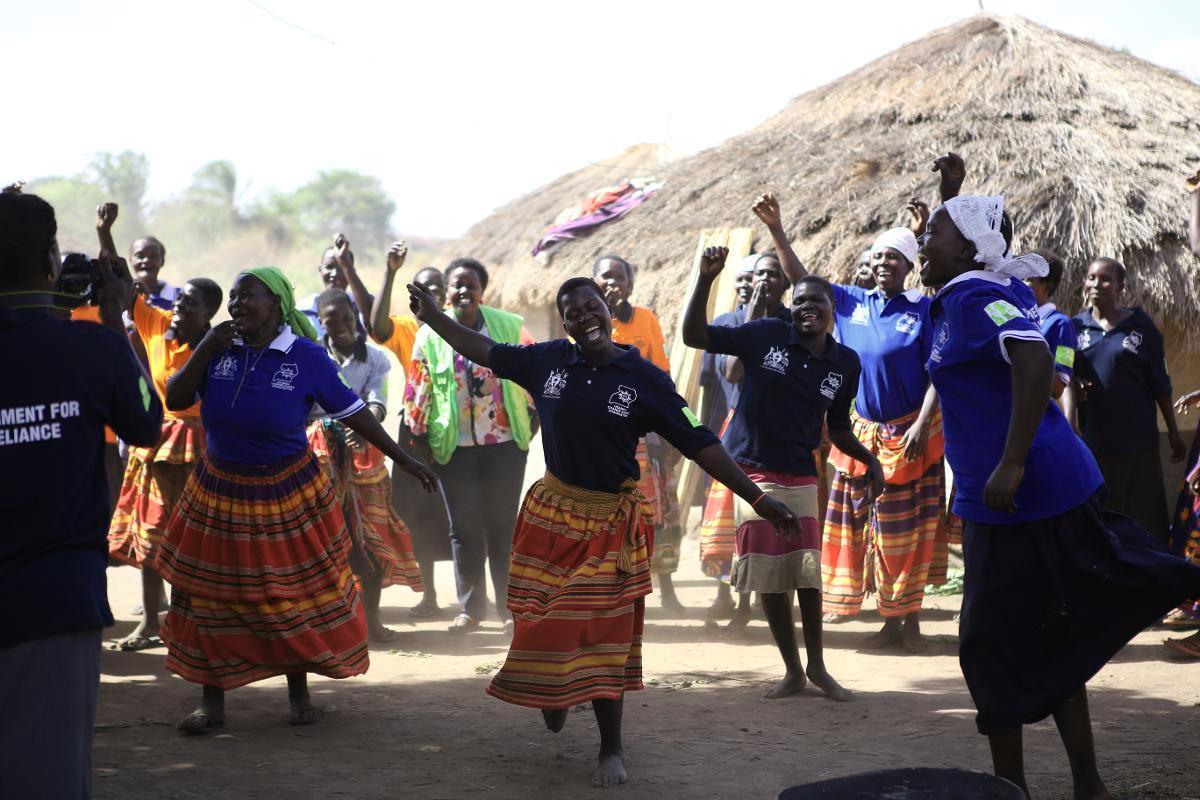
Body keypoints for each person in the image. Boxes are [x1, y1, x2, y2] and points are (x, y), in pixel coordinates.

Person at [405, 274, 798, 788]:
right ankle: (554, 692)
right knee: (538, 620)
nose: (585, 317)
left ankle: (610, 746)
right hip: (550, 517)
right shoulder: (546, 361)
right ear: (565, 323)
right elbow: (484, 348)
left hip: (610, 524)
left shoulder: (644, 378)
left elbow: (698, 439)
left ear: (608, 314)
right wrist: (434, 317)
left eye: (592, 308)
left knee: (603, 633)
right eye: (573, 312)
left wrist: (759, 498)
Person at [917, 192, 1200, 799]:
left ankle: (1014, 789)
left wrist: (1011, 462)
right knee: (1049, 630)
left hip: (1032, 492)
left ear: (968, 250)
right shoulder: (957, 297)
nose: (921, 241)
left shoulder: (976, 296)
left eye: (933, 233)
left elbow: (1034, 357)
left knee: (989, 647)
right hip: (1012, 496)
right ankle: (1079, 786)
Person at [156, 266, 435, 734]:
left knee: (287, 592)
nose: (238, 305)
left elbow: (355, 411)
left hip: (283, 490)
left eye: (249, 297)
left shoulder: (305, 356)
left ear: (277, 305)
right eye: (234, 298)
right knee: (209, 594)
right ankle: (212, 703)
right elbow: (176, 396)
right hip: (219, 487)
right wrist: (205, 347)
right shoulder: (218, 349)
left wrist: (403, 458)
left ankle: (299, 695)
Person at [0, 191, 164, 799]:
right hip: (55, 597)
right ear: (50, 260)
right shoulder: (90, 346)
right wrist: (119, 321)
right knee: (46, 775)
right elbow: (148, 421)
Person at [684, 245, 885, 701]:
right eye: (799, 301)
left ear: (834, 310)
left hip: (801, 472)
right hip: (751, 473)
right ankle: (793, 669)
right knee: (771, 575)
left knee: (807, 575)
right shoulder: (765, 335)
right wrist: (705, 279)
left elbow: (836, 427)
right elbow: (695, 335)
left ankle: (817, 666)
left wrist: (869, 460)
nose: (807, 307)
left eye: (817, 301)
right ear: (790, 309)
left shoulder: (845, 364)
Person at [753, 193, 947, 652]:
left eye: (895, 258)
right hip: (859, 436)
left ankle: (909, 620)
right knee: (863, 527)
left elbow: (938, 372)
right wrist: (778, 230)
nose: (884, 264)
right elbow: (803, 280)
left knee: (906, 530)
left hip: (908, 435)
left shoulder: (922, 310)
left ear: (909, 266)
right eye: (878, 256)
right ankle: (886, 617)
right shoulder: (852, 302)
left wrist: (921, 425)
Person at [405, 257, 535, 634]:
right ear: (446, 291)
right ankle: (470, 610)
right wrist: (421, 441)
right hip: (454, 447)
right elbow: (417, 390)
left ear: (483, 289)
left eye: (471, 284)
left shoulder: (509, 326)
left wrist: (531, 428)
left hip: (505, 446)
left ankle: (510, 609)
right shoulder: (429, 333)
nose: (464, 291)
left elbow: (534, 376)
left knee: (503, 526)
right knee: (463, 528)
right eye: (457, 284)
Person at [106, 276, 223, 650]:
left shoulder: (217, 347)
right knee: (152, 530)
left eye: (190, 303)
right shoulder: (157, 325)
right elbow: (119, 283)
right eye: (180, 300)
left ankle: (190, 624)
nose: (180, 308)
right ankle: (150, 623)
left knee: (193, 538)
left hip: (200, 446)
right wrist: (104, 232)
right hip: (157, 443)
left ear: (208, 316)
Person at [309, 288, 425, 642]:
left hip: (364, 454)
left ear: (355, 319)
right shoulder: (310, 356)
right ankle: (330, 625)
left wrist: (365, 429)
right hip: (320, 457)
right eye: (332, 321)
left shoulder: (376, 357)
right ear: (322, 323)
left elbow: (377, 402)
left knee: (370, 541)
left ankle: (370, 621)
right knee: (323, 541)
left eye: (347, 319)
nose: (342, 327)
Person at [697, 253, 791, 625]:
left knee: (766, 521)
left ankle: (756, 606)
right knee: (730, 522)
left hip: (780, 431)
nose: (761, 282)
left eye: (770, 275)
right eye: (756, 276)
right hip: (736, 430)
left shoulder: (789, 323)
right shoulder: (729, 323)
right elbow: (731, 373)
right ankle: (732, 600)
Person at [594, 254, 686, 615]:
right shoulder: (586, 323)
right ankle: (613, 590)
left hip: (644, 433)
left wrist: (672, 432)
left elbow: (661, 376)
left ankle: (665, 588)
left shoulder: (645, 320)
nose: (612, 284)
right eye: (605, 277)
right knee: (610, 514)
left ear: (630, 285)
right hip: (604, 436)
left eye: (619, 278)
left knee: (656, 512)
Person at [1072, 257, 1185, 542]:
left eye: (1106, 278)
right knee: (1101, 517)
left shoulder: (1141, 327)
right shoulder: (1074, 329)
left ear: (1121, 285)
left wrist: (1173, 432)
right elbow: (1060, 375)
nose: (1097, 284)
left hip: (1138, 440)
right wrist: (1074, 383)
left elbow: (1161, 383)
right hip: (1093, 441)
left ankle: (1151, 580)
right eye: (1092, 278)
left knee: (1144, 519)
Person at [370, 242, 451, 617]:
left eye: (434, 288)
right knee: (417, 512)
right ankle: (430, 596)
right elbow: (375, 326)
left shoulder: (457, 327)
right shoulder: (406, 328)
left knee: (458, 511)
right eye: (419, 287)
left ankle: (471, 597)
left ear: (446, 292)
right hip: (414, 430)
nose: (427, 294)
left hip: (453, 430)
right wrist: (389, 273)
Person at [1023, 248, 1079, 427]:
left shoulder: (1061, 325)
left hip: (1035, 422)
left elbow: (1059, 385)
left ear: (1048, 286)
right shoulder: (1012, 319)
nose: (1022, 284)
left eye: (1029, 280)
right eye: (1020, 278)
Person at [298, 235, 373, 337]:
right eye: (329, 267)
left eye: (342, 267)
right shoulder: (304, 310)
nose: (335, 274)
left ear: (351, 272)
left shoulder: (359, 305)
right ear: (320, 270)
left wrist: (346, 264)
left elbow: (374, 321)